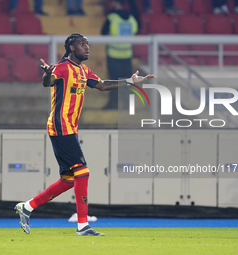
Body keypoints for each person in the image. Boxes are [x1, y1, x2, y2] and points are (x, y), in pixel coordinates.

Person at [14, 33, 154, 236]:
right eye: (82, 44)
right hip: (61, 125)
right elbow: (48, 82)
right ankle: (82, 225)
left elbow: (102, 85)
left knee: (69, 179)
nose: (87, 47)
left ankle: (27, 207)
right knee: (83, 171)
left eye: (87, 44)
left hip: (69, 127)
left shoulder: (83, 70)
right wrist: (46, 74)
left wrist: (130, 82)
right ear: (71, 48)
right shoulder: (62, 67)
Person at [101, 0, 139, 109]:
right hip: (127, 56)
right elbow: (137, 30)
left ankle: (113, 104)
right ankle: (128, 106)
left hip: (113, 55)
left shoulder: (112, 18)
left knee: (113, 82)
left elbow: (103, 33)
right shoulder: (132, 19)